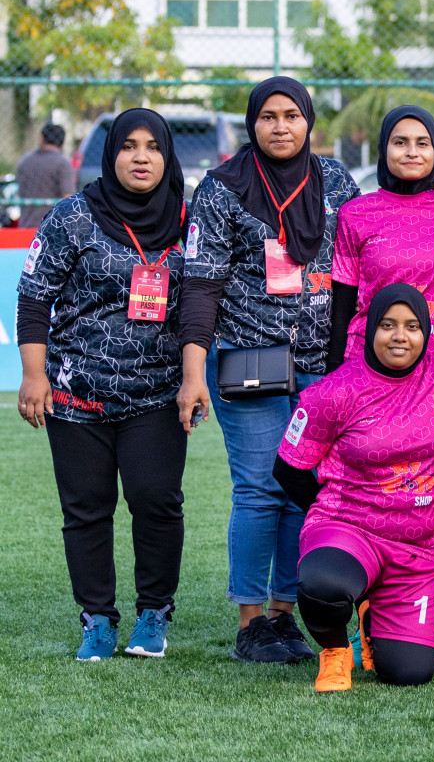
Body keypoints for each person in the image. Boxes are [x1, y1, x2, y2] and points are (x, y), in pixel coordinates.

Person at [177, 76, 359, 664]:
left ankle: (284, 616)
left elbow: (366, 254)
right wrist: (193, 372)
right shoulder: (221, 188)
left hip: (322, 368)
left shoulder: (336, 181)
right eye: (268, 117)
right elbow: (200, 286)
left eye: (292, 116)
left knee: (304, 488)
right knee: (259, 488)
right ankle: (251, 621)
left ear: (309, 121)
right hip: (249, 359)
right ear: (252, 124)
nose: (281, 127)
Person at [16, 109, 188, 661]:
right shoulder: (72, 217)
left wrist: (193, 376)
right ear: (111, 154)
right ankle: (97, 620)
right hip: (74, 394)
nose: (141, 157)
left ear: (167, 155)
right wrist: (34, 374)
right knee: (87, 508)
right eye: (129, 146)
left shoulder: (189, 220)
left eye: (153, 147)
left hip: (157, 395)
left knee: (155, 500)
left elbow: (203, 302)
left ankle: (153, 614)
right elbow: (34, 296)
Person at [275, 284, 434, 692]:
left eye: (412, 326)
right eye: (388, 325)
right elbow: (288, 469)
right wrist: (330, 514)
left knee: (407, 673)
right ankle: (333, 650)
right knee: (323, 582)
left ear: (427, 332)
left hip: (417, 547)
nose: (400, 336)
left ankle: (370, 612)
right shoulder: (333, 390)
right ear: (368, 329)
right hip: (350, 528)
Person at [329, 106, 434, 375]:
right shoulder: (356, 213)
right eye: (400, 142)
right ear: (383, 149)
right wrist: (336, 368)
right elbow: (344, 299)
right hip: (372, 361)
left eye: (422, 143)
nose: (412, 152)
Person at [17, 122, 75, 227]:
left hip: (25, 226)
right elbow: (68, 199)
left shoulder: (25, 161)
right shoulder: (62, 163)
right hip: (50, 229)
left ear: (42, 138)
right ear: (63, 142)